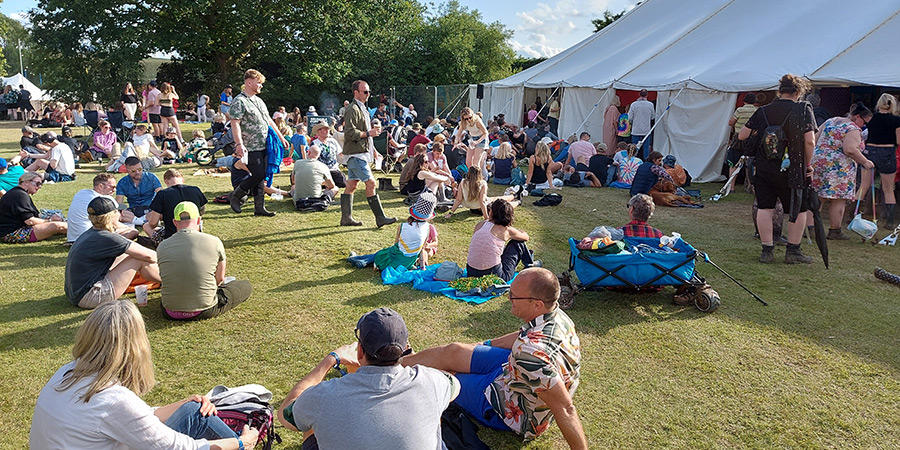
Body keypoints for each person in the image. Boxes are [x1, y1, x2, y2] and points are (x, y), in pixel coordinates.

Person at [30, 300, 258, 449]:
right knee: (199, 419)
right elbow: (178, 448)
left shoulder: (67, 372)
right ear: (136, 345)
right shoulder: (113, 399)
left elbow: (135, 417)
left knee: (193, 410)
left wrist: (184, 404)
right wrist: (240, 443)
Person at [399, 267, 586, 448]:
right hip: (513, 371)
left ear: (537, 304)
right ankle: (401, 362)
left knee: (446, 378)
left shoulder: (531, 355)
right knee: (455, 350)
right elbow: (522, 335)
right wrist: (484, 345)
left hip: (509, 408)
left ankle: (396, 373)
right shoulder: (555, 314)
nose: (508, 297)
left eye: (514, 296)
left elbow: (566, 408)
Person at [278, 307, 458, 450]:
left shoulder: (322, 397)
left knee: (310, 422)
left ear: (360, 351)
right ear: (404, 349)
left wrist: (329, 360)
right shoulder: (431, 382)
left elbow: (286, 415)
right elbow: (453, 384)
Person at [738, 74, 817, 264]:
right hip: (793, 168)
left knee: (765, 207)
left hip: (764, 166)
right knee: (798, 209)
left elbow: (742, 136)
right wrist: (808, 165)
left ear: (779, 91)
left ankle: (767, 250)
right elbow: (810, 141)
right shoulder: (803, 109)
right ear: (798, 92)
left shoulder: (763, 110)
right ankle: (793, 251)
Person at [156, 201, 252, 320]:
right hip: (204, 309)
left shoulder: (162, 246)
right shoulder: (214, 241)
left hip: (169, 310)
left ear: (175, 222)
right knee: (245, 286)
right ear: (198, 220)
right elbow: (220, 279)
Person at [64, 196, 161, 308]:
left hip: (75, 294)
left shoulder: (92, 233)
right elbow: (151, 256)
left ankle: (167, 281)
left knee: (129, 254)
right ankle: (172, 281)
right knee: (137, 258)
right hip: (90, 297)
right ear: (112, 216)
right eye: (118, 212)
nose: (121, 214)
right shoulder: (107, 238)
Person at [227, 69, 289, 217]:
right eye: (258, 82)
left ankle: (259, 207)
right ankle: (236, 195)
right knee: (258, 173)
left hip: (264, 145)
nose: (261, 85)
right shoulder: (239, 101)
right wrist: (239, 144)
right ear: (249, 82)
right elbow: (234, 123)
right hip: (250, 146)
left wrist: (281, 137)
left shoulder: (259, 101)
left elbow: (268, 121)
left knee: (262, 176)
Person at [809, 103, 875, 239]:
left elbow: (814, 138)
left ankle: (810, 228)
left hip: (819, 161)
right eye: (864, 122)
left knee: (818, 196)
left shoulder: (830, 121)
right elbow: (850, 149)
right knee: (838, 199)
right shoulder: (853, 129)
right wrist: (865, 162)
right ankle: (835, 230)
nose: (864, 126)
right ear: (857, 117)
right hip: (839, 167)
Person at [339, 79, 396, 227]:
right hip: (356, 155)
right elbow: (350, 133)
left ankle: (346, 218)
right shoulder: (352, 109)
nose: (368, 94)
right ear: (356, 92)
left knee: (351, 185)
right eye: (365, 92)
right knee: (370, 183)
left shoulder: (362, 108)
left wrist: (374, 150)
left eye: (369, 91)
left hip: (359, 153)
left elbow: (365, 135)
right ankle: (380, 217)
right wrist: (368, 133)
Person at [347, 191, 437, 270]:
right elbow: (422, 249)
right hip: (408, 262)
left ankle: (357, 259)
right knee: (387, 254)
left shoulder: (402, 226)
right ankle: (364, 260)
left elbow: (395, 246)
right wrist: (423, 267)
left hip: (395, 259)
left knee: (381, 254)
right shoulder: (428, 228)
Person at [464, 198, 539, 282]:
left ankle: (529, 262)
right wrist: (520, 232)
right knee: (518, 242)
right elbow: (526, 237)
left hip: (471, 272)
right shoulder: (506, 230)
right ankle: (529, 263)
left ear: (491, 212)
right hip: (495, 276)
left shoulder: (480, 225)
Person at [857, 93, 900, 229]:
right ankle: (889, 222)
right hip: (887, 153)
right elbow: (898, 141)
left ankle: (852, 214)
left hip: (870, 151)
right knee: (888, 189)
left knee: (863, 185)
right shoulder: (896, 120)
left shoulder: (872, 119)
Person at [67, 173, 138, 243]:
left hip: (73, 238)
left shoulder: (81, 193)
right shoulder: (105, 200)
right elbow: (115, 223)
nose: (114, 190)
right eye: (112, 187)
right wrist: (128, 228)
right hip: (91, 239)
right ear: (101, 186)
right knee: (133, 232)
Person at [143, 169, 208, 243]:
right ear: (182, 180)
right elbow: (202, 211)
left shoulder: (162, 194)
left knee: (146, 226)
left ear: (166, 181)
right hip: (194, 234)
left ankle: (161, 243)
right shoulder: (196, 190)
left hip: (171, 238)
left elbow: (152, 224)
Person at [0, 172, 67, 243]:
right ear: (26, 182)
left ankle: (75, 229)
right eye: (37, 183)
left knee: (61, 224)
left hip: (11, 231)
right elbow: (30, 221)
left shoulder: (17, 193)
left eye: (41, 184)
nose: (40, 186)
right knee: (56, 225)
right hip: (11, 234)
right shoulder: (20, 195)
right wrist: (50, 220)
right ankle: (78, 232)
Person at [446, 166, 520, 220]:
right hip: (482, 209)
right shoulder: (482, 183)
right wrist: (486, 217)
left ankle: (515, 196)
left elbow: (459, 199)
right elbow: (482, 201)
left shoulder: (463, 182)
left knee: (494, 198)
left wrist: (451, 213)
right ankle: (517, 200)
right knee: (503, 204)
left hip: (472, 208)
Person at [726, 93, 761, 192]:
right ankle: (750, 186)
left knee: (734, 163)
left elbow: (731, 122)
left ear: (744, 101)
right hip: (752, 139)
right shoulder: (757, 111)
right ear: (755, 102)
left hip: (738, 138)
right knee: (750, 163)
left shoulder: (740, 110)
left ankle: (731, 187)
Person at [309, 122, 345, 187]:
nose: (327, 131)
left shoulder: (333, 141)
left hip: (333, 169)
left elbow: (340, 153)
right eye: (325, 129)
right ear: (319, 131)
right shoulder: (314, 143)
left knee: (342, 183)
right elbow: (310, 157)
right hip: (321, 170)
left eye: (328, 129)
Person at [627, 89, 655, 159]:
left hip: (636, 130)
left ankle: (633, 160)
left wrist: (632, 123)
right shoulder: (650, 105)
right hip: (646, 130)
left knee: (634, 148)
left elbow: (629, 117)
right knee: (646, 149)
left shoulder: (634, 104)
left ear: (639, 94)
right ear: (647, 95)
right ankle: (645, 161)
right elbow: (653, 117)